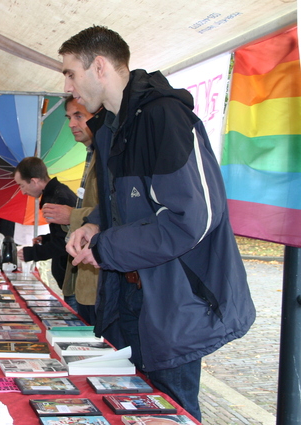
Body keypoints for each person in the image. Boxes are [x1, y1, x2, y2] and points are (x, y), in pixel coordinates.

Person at [60, 26, 256, 421]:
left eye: (70, 73)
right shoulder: (112, 129)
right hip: (129, 296)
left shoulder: (164, 118)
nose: (67, 85)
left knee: (170, 411)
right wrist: (96, 223)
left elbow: (189, 221)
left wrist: (104, 248)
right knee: (125, 408)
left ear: (99, 67)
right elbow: (132, 206)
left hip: (175, 302)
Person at [41, 97, 101, 323]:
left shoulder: (105, 156)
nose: (71, 124)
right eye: (69, 118)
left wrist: (72, 216)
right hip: (81, 276)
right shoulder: (91, 153)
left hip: (95, 280)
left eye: (79, 116)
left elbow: (113, 212)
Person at [14, 157, 77, 298]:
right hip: (66, 274)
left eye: (22, 185)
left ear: (34, 181)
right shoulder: (53, 194)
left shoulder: (59, 198)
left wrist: (32, 253)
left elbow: (65, 242)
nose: (22, 192)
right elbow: (63, 233)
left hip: (73, 277)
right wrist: (46, 239)